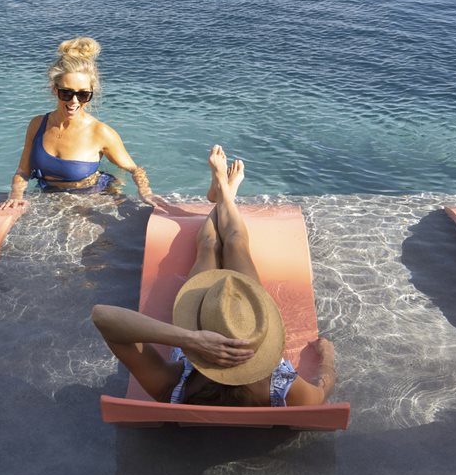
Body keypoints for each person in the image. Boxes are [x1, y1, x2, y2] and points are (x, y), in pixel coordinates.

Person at [91, 146, 335, 407]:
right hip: (230, 323)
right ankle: (225, 194)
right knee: (235, 242)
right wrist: (327, 357)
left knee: (210, 245)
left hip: (209, 327)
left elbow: (103, 316)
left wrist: (190, 339)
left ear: (200, 337)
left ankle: (223, 190)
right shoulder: (283, 390)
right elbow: (323, 386)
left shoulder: (172, 386)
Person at [0, 37, 152, 209]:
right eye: (66, 93)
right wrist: (15, 195)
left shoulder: (101, 132)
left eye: (83, 95)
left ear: (91, 93)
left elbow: (134, 169)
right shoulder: (37, 125)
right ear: (54, 89)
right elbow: (23, 171)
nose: (74, 101)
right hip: (51, 198)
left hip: (94, 197)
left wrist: (144, 191)